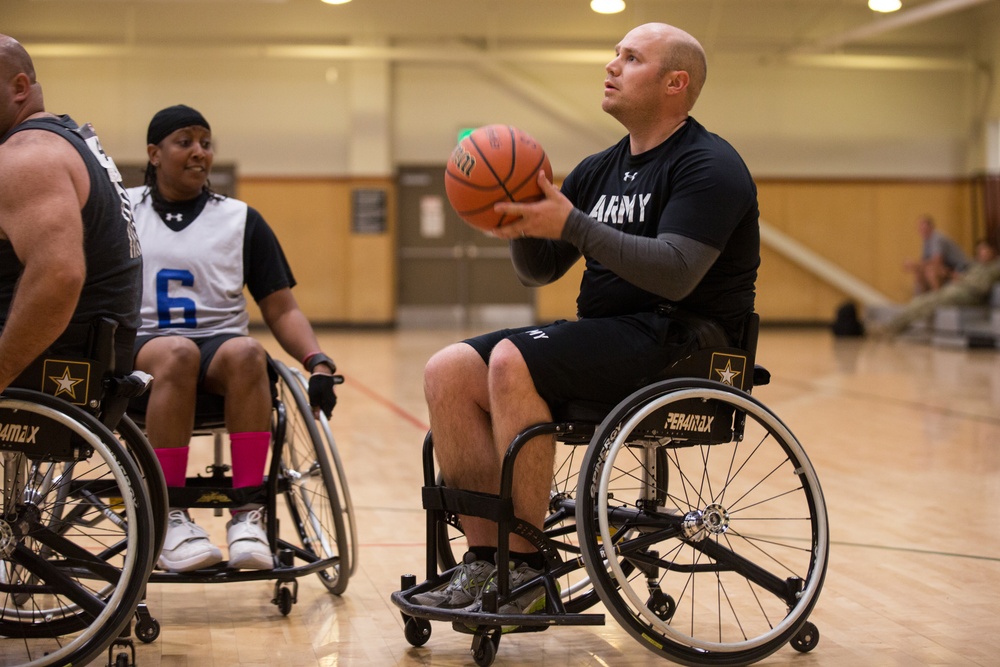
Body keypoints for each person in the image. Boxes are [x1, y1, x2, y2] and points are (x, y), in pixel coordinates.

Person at [414, 23, 759, 615]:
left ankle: (521, 570)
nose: (612, 65)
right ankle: (484, 559)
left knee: (510, 359)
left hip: (680, 340)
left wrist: (570, 223)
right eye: (615, 54)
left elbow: (677, 272)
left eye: (631, 57)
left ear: (675, 82)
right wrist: (516, 217)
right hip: (610, 336)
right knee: (448, 369)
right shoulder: (601, 169)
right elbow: (540, 270)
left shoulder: (710, 164)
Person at [128, 105, 338, 573]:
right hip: (145, 352)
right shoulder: (123, 211)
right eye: (185, 142)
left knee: (248, 351)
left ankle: (248, 515)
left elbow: (281, 307)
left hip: (217, 351)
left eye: (205, 142)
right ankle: (169, 517)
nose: (200, 152)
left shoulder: (241, 219)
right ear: (154, 153)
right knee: (178, 353)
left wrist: (317, 360)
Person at [0, 34, 141, 411]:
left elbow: (59, 277)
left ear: (19, 87)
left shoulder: (28, 157)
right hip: (96, 352)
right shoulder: (68, 140)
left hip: (54, 361)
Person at [881, 239, 1000, 336]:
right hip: (956, 290)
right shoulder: (976, 266)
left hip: (969, 295)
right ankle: (893, 326)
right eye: (979, 251)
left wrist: (962, 279)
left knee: (929, 303)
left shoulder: (995, 267)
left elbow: (980, 285)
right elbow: (966, 278)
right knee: (921, 301)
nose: (982, 253)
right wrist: (954, 276)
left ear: (992, 251)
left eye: (984, 250)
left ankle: (894, 328)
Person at [904, 215, 970, 294]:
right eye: (920, 227)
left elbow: (937, 261)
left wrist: (915, 264)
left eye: (923, 226)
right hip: (947, 267)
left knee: (931, 272)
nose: (921, 229)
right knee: (919, 272)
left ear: (931, 226)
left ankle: (937, 300)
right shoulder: (926, 241)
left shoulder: (937, 238)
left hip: (959, 268)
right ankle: (922, 301)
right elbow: (925, 261)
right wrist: (917, 266)